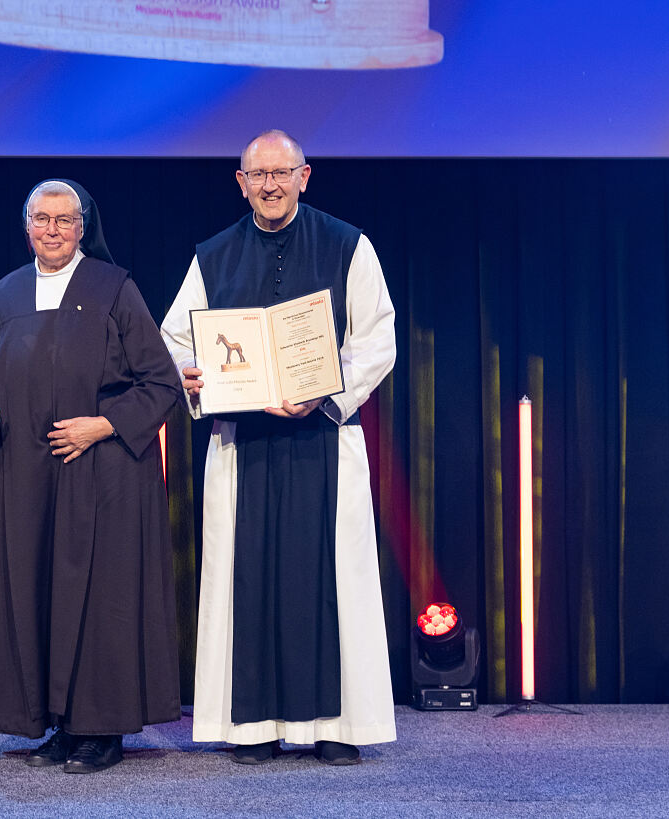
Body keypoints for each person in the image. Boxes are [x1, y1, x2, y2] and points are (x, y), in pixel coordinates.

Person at [160, 130, 397, 766]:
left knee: (332, 580)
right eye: (256, 174)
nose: (269, 184)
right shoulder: (213, 255)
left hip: (323, 433)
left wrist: (322, 395)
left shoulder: (349, 245)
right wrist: (192, 372)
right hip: (245, 440)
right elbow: (175, 341)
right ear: (240, 182)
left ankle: (337, 726)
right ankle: (252, 728)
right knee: (247, 575)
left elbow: (376, 337)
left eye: (281, 172)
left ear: (304, 176)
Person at [0, 180, 182, 774]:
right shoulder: (9, 292)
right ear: (27, 225)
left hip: (106, 474)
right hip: (29, 477)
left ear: (82, 226)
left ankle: (103, 730)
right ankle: (59, 724)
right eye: (42, 219)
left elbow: (161, 383)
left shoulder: (113, 287)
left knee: (99, 599)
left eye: (65, 220)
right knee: (39, 593)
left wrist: (105, 424)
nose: (53, 230)